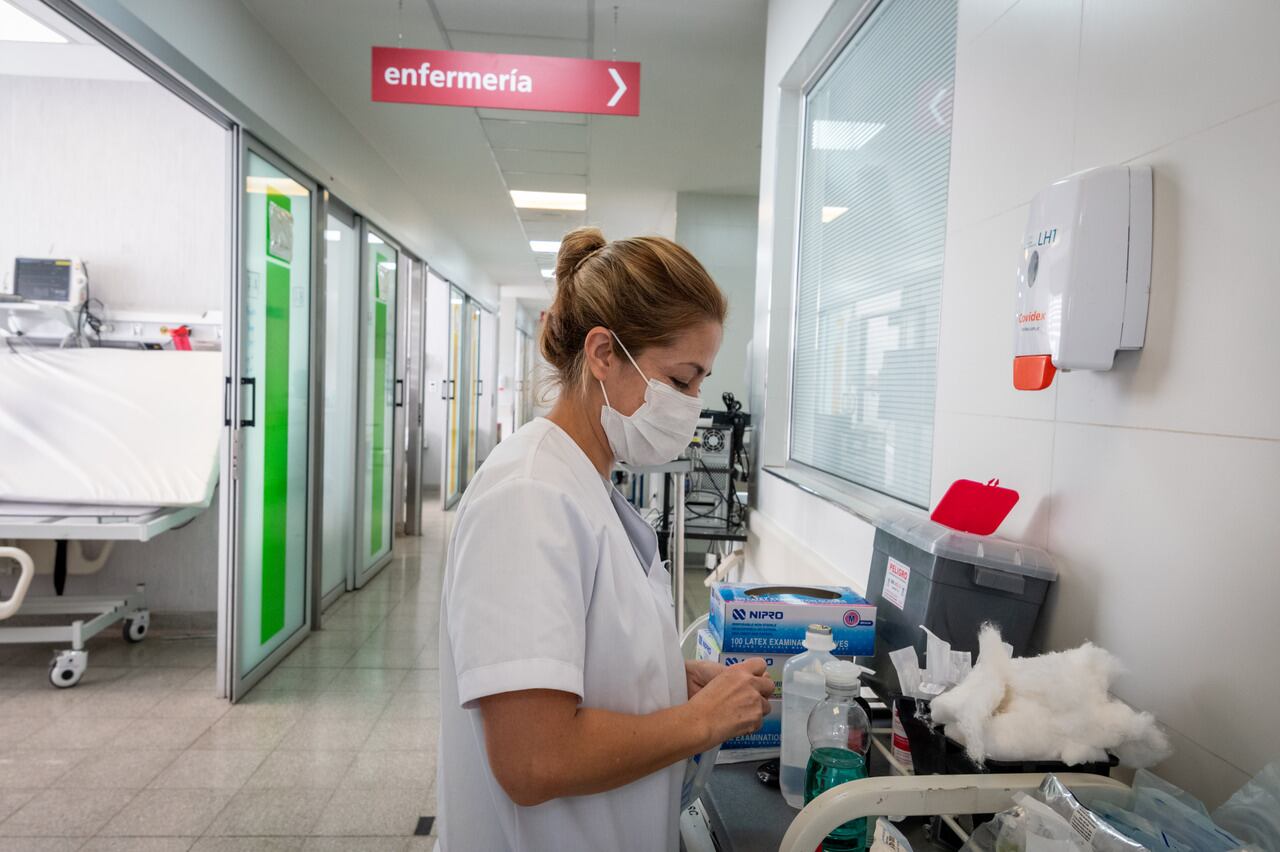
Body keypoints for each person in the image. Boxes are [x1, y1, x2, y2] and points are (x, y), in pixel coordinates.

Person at [435, 227, 775, 851]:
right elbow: (533, 759)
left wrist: (666, 683)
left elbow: (577, 662)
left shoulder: (584, 483)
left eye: (702, 382)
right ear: (602, 354)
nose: (694, 405)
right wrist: (698, 722)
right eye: (680, 381)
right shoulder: (530, 496)